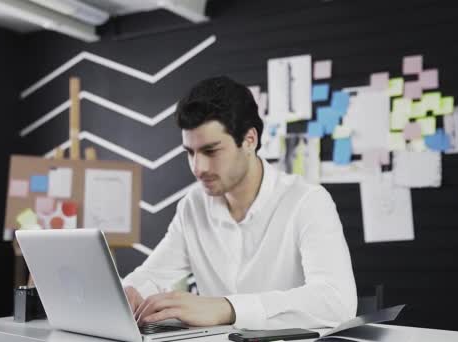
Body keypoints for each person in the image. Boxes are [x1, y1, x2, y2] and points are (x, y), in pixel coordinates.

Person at [122, 76, 357, 330]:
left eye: (211, 151)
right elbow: (151, 275)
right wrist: (127, 292)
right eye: (190, 153)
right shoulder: (193, 206)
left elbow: (337, 301)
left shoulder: (307, 201)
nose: (198, 168)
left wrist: (227, 308)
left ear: (249, 140)